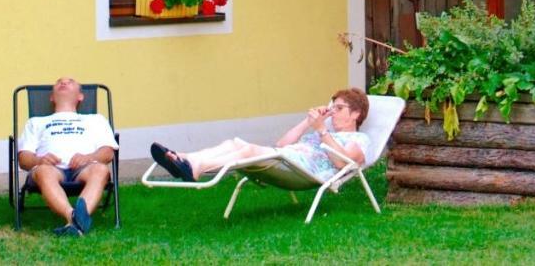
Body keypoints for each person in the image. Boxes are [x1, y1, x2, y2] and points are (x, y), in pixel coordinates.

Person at [150, 87, 371, 183]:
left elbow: (345, 163)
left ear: (356, 114)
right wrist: (308, 122)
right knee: (233, 143)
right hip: (286, 158)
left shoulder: (359, 140)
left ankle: (196, 168)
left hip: (301, 170)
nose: (333, 114)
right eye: (332, 108)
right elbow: (282, 143)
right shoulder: (324, 131)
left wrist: (322, 130)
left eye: (339, 109)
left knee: (246, 150)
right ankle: (185, 158)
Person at [16, 77, 116, 237]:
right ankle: (74, 217)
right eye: (58, 81)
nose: (63, 82)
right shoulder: (36, 122)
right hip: (50, 169)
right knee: (43, 171)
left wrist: (89, 157)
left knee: (101, 169)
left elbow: (108, 152)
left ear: (80, 96)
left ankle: (73, 223)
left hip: (86, 168)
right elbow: (24, 158)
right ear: (51, 97)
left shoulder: (96, 119)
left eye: (70, 81)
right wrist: (39, 160)